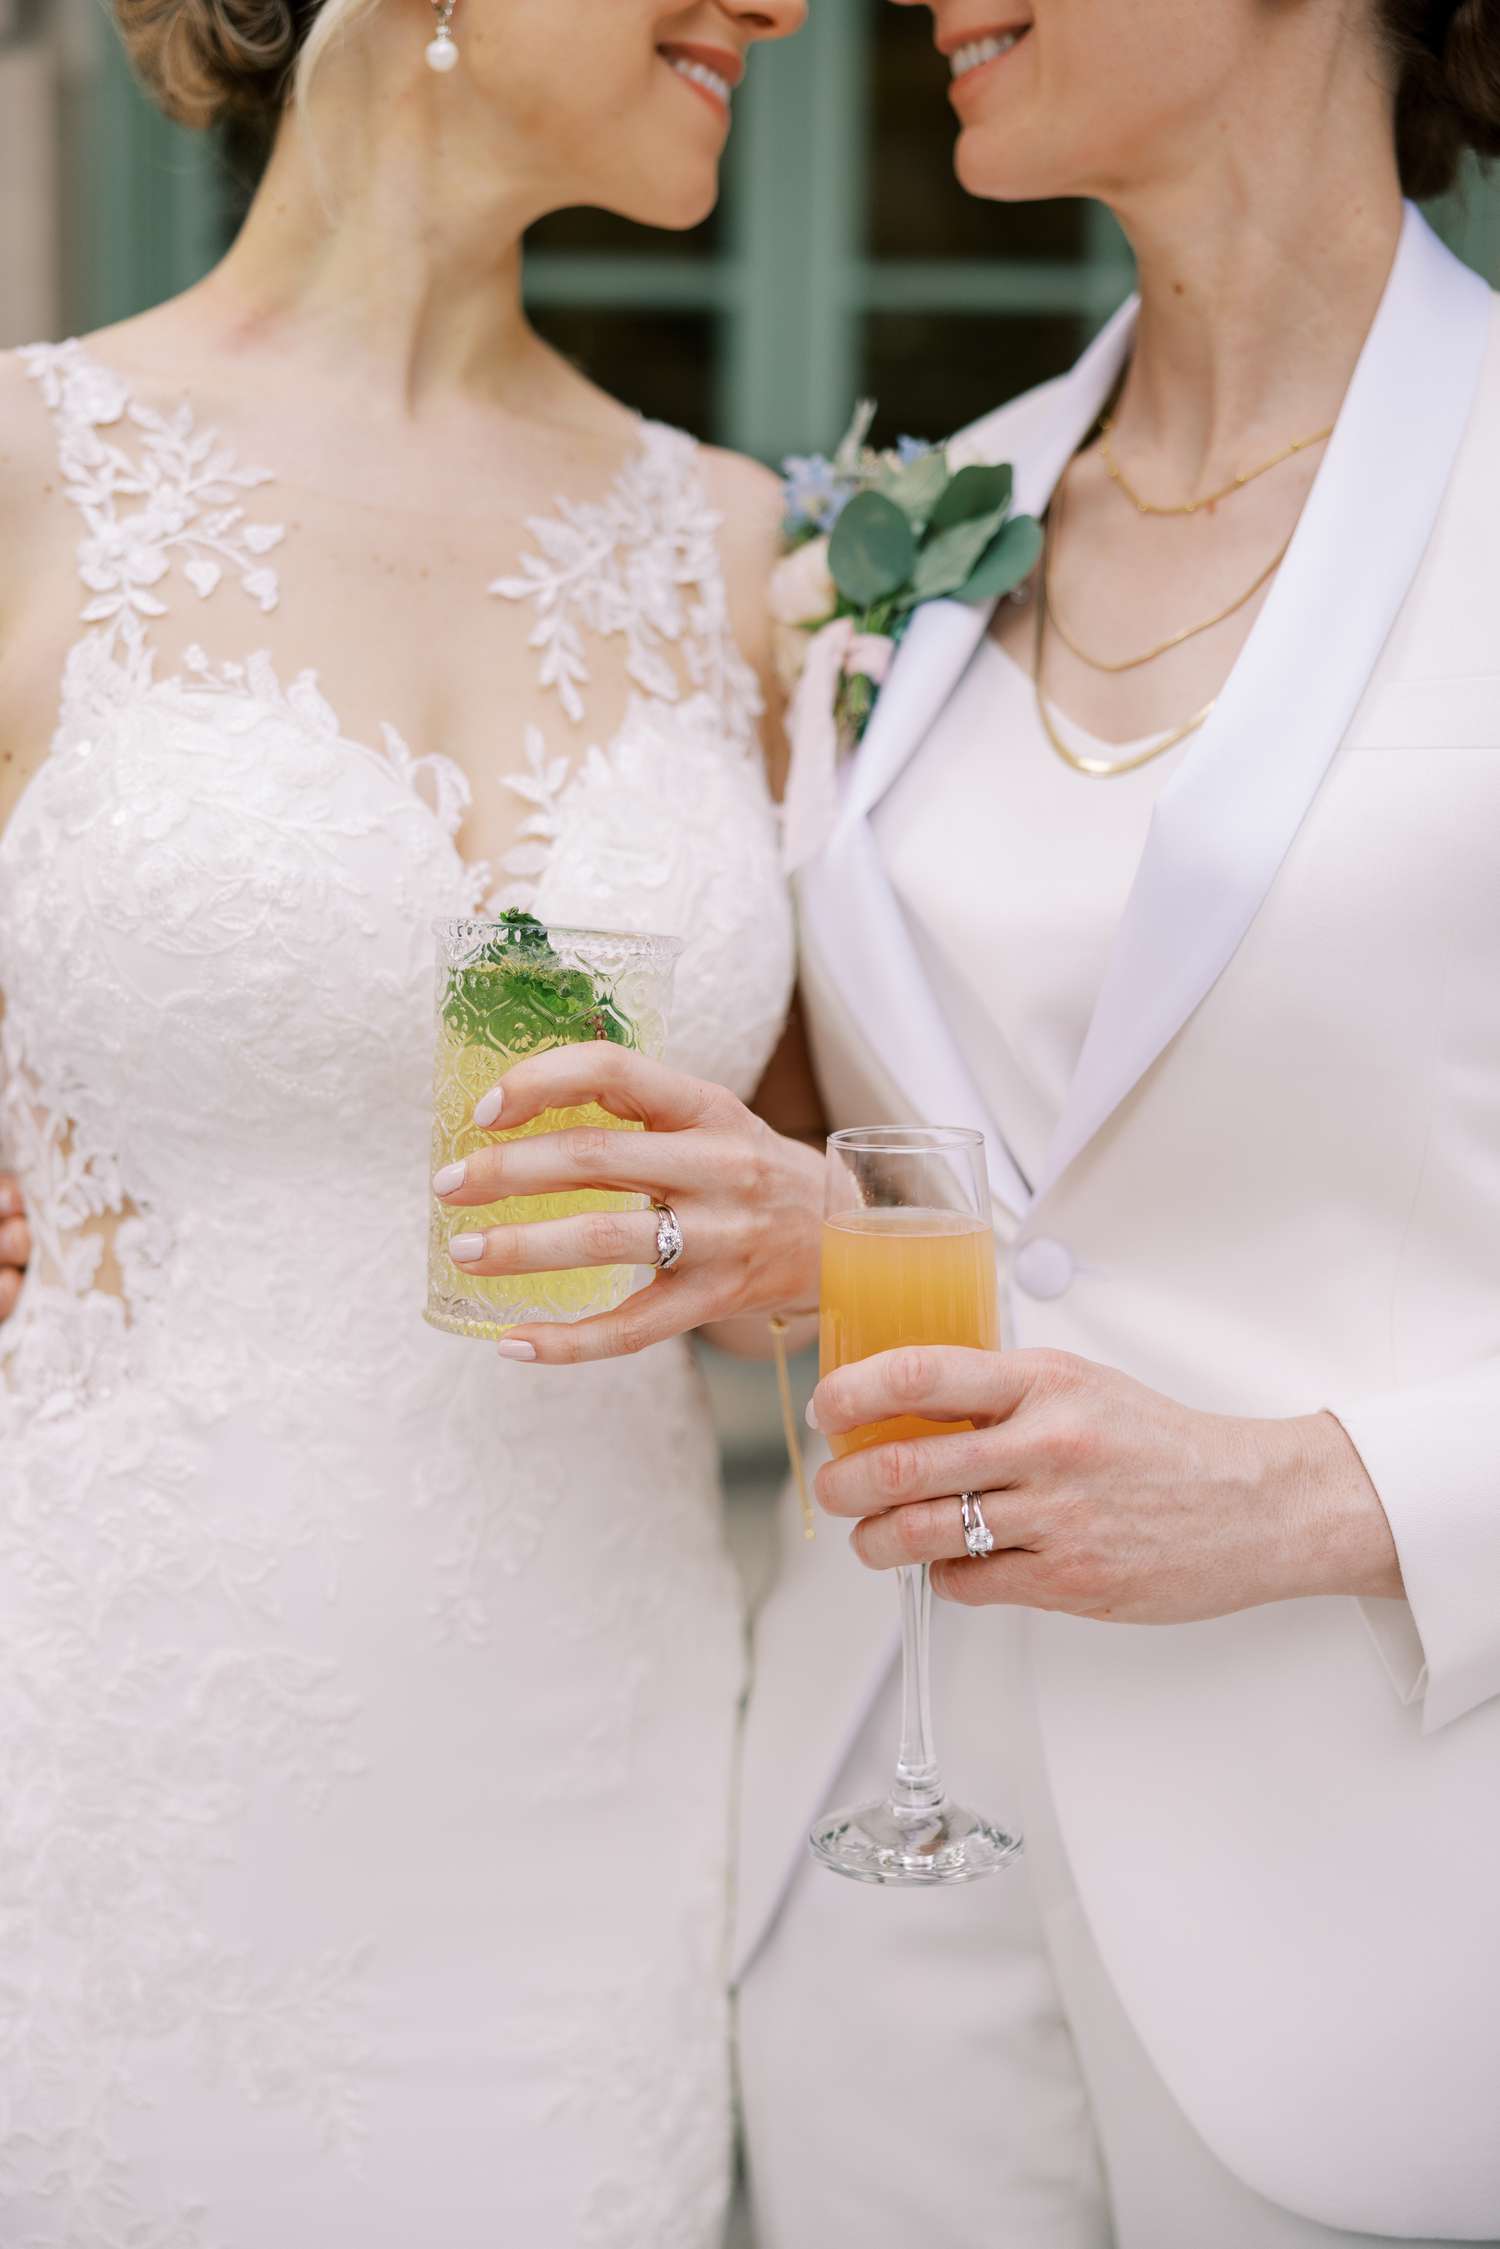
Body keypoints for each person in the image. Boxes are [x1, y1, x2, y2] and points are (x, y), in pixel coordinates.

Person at [469, 1, 1500, 2243]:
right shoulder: (927, 528)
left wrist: (1303, 1494)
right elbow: (917, 1180)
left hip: (1396, 1895)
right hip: (879, 1860)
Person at [0, 0, 807, 2239]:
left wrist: (790, 1230)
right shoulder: (28, 471)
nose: (783, 6)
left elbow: (863, 1193)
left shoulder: (731, 545)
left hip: (587, 1764)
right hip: (110, 1751)